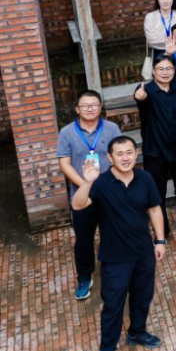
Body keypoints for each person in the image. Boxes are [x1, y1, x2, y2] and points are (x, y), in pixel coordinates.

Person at [72, 135, 165, 351]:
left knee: (143, 297)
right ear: (110, 157)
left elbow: (154, 208)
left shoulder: (145, 178)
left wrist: (160, 240)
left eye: (129, 152)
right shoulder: (101, 183)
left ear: (136, 154)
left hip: (143, 253)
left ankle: (137, 332)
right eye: (120, 154)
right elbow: (78, 205)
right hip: (115, 258)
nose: (125, 158)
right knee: (113, 306)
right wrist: (87, 182)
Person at [56, 90, 123, 301]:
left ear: (100, 107)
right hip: (82, 195)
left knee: (112, 234)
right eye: (85, 105)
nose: (90, 108)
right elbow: (64, 164)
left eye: (94, 104)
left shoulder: (111, 128)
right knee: (84, 239)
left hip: (109, 193)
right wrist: (85, 185)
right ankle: (85, 276)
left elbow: (119, 157)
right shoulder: (67, 132)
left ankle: (114, 272)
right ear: (77, 109)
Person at [135, 56, 176, 238]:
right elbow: (140, 97)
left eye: (169, 69)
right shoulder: (146, 90)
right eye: (160, 69)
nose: (165, 72)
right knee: (157, 192)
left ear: (174, 71)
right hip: (155, 150)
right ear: (153, 71)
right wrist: (139, 96)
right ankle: (162, 230)